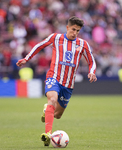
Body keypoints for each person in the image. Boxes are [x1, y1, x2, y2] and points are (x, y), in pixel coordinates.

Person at [16, 16, 97, 146]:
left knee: (58, 115)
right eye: (73, 29)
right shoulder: (56, 38)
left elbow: (91, 61)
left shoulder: (83, 44)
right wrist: (27, 58)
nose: (75, 33)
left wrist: (92, 72)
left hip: (68, 85)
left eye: (78, 31)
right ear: (67, 27)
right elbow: (39, 45)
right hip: (54, 77)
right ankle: (48, 134)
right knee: (52, 99)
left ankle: (46, 110)